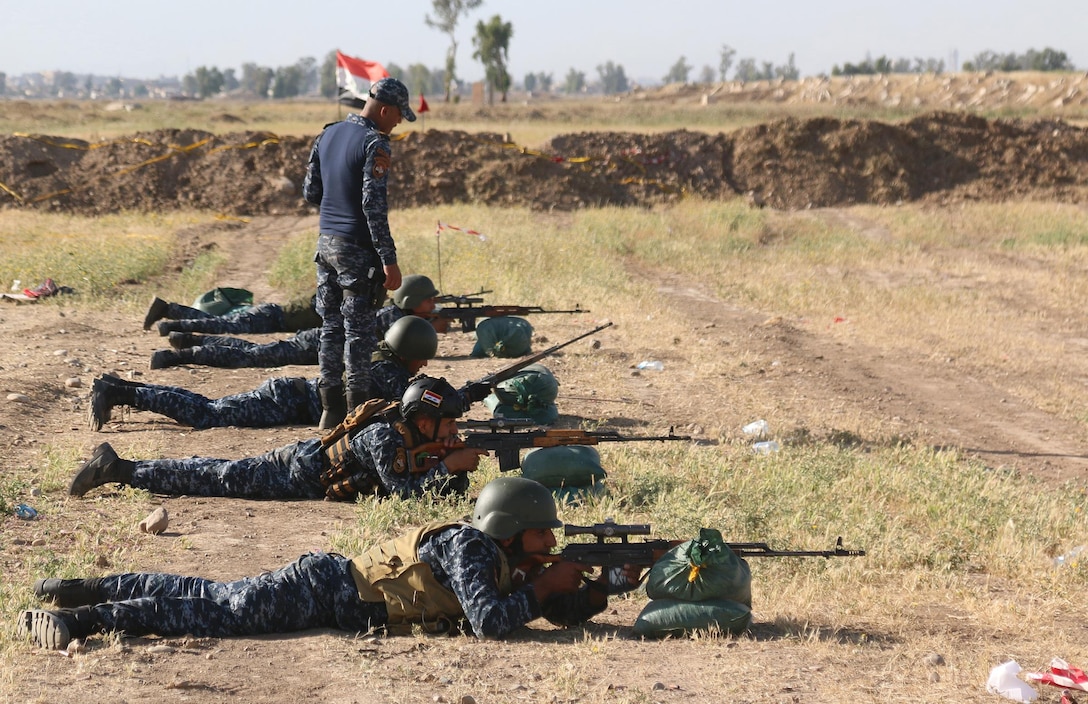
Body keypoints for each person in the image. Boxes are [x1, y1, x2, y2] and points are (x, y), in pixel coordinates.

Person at [22, 477, 643, 650]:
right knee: (218, 613)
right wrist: (546, 588)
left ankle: (92, 587)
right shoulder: (471, 548)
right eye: (542, 535)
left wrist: (602, 589)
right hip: (324, 591)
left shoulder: (504, 561)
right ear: (513, 532)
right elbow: (490, 622)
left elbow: (551, 611)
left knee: (211, 594)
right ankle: (88, 619)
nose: (549, 544)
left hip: (329, 587)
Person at [68, 376, 486, 502]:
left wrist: (447, 465)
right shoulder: (384, 437)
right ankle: (119, 468)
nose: (453, 431)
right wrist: (449, 465)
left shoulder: (407, 429)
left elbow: (435, 489)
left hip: (307, 465)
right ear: (424, 421)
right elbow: (404, 494)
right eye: (447, 424)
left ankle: (122, 409)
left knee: (214, 468)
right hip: (297, 472)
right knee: (216, 476)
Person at [90, 316, 439, 431]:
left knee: (209, 407)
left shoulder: (383, 359)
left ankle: (120, 388)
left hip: (291, 396)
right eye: (422, 358)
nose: (423, 365)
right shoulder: (387, 370)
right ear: (410, 351)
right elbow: (415, 406)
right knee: (208, 414)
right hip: (286, 400)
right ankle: (122, 392)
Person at [303, 77, 416, 431]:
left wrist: (338, 205)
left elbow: (311, 192)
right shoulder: (374, 144)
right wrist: (388, 259)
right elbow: (372, 206)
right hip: (357, 251)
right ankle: (359, 413)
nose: (398, 122)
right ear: (384, 109)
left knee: (331, 328)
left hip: (326, 245)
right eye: (398, 115)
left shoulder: (328, 134)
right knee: (358, 333)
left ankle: (330, 409)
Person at [144, 294, 321, 336]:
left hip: (271, 316)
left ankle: (168, 311)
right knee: (221, 325)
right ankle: (168, 313)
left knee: (218, 323)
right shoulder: (330, 301)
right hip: (271, 316)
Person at [148, 328, 319, 370]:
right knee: (255, 355)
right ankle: (179, 355)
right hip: (329, 342)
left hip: (328, 339)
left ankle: (192, 340)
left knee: (254, 351)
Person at [375, 274, 448, 337]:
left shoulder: (411, 312)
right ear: (412, 301)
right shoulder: (391, 314)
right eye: (428, 301)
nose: (433, 306)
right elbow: (402, 342)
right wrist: (432, 327)